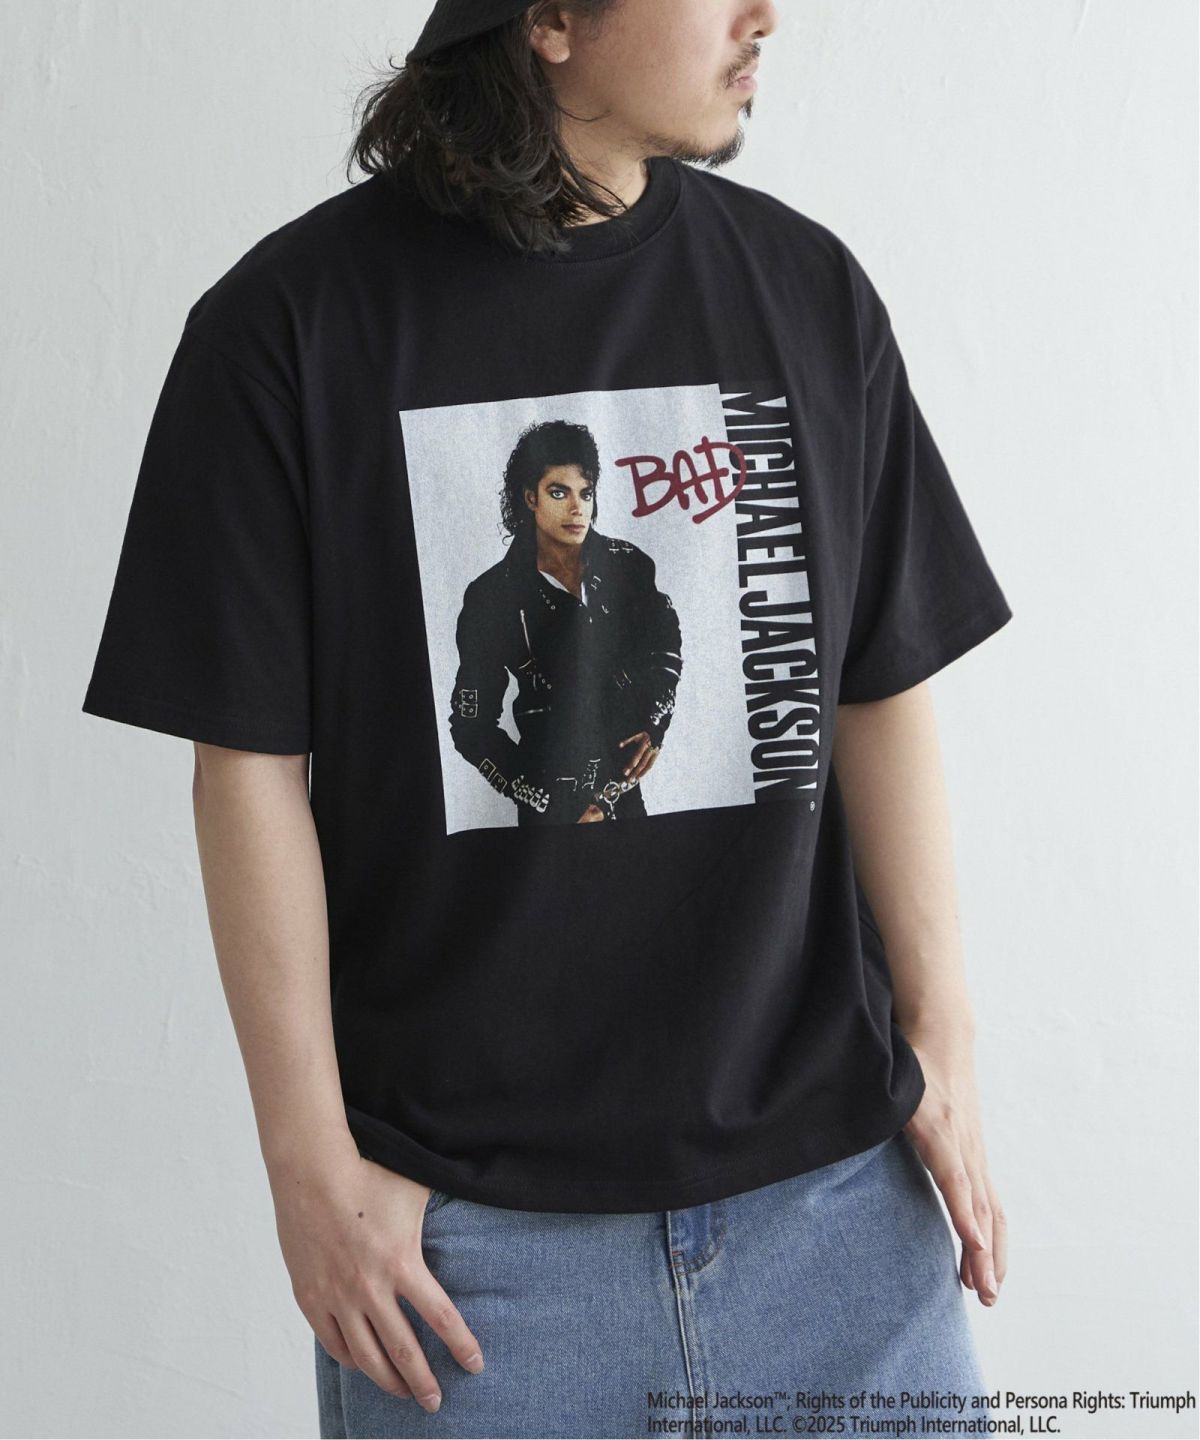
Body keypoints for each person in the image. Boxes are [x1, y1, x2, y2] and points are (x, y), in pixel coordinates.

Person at [80, 1, 1014, 1435]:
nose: (765, 14)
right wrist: (307, 1167)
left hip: (838, 1221)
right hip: (475, 1275)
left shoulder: (806, 292)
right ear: (554, 20)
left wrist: (945, 1048)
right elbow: (248, 769)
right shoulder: (289, 328)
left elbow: (878, 685)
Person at [448, 417, 684, 824]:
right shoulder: (491, 596)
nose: (577, 509)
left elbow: (664, 646)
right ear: (530, 497)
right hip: (547, 810)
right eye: (559, 492)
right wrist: (541, 797)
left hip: (623, 796)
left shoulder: (628, 566)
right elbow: (471, 724)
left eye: (585, 493)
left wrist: (654, 721)